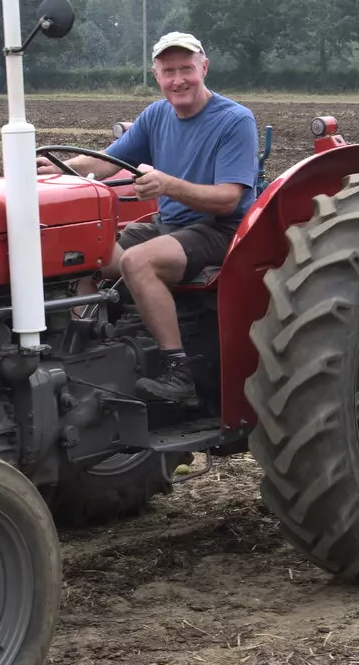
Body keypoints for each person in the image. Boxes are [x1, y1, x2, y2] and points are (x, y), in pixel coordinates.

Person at [37, 31, 258, 405]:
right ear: (157, 75)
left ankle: (179, 371)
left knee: (139, 262)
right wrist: (59, 169)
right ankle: (80, 352)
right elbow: (105, 161)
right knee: (84, 256)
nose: (178, 80)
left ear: (204, 67)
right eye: (168, 71)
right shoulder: (156, 114)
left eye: (186, 69)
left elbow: (228, 199)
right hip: (169, 225)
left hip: (221, 230)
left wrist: (167, 185)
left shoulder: (235, 120)